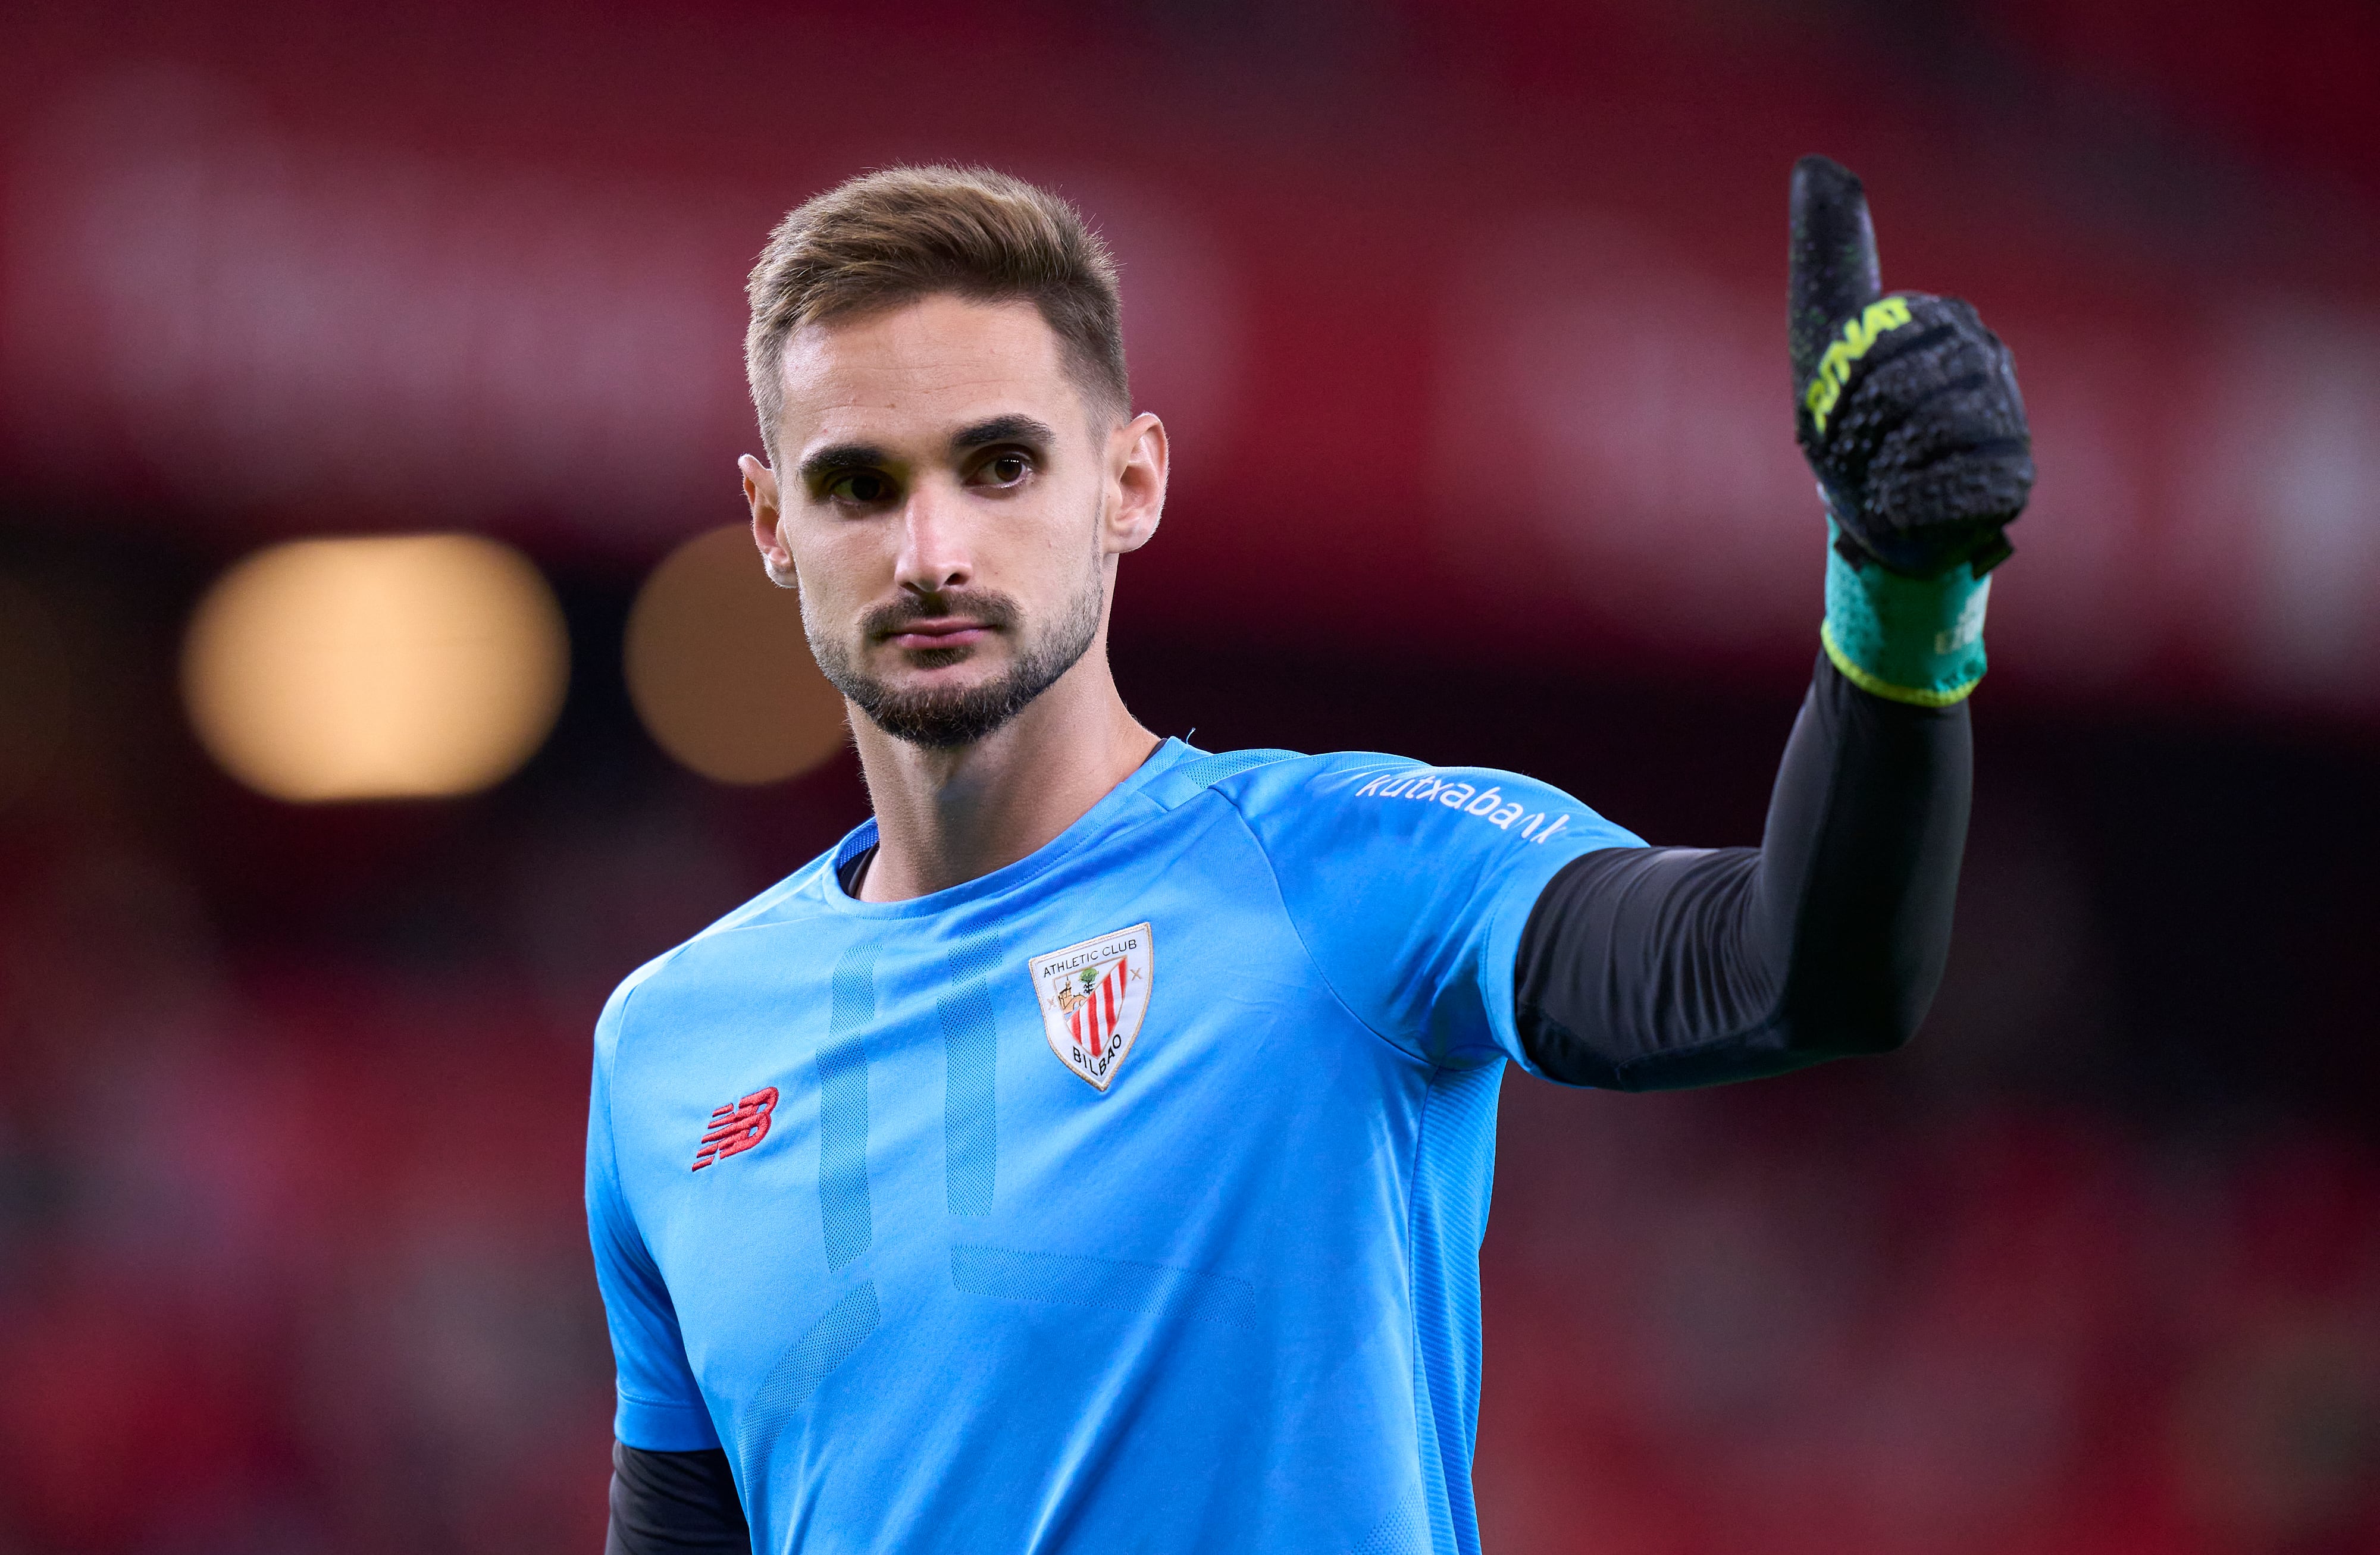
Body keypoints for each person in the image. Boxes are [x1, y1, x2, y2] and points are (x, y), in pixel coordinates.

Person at [589, 159, 2033, 1554]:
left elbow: (1799, 969)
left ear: (1129, 481)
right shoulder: (669, 1049)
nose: (929, 549)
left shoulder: (1351, 873)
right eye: (855, 485)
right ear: (773, 523)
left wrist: (1899, 600)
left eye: (999, 463)